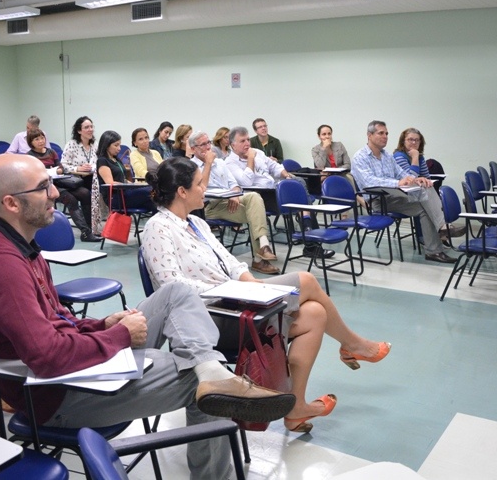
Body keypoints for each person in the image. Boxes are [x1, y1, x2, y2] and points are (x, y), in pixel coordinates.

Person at [0, 154, 295, 479]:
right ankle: (212, 386)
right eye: (43, 187)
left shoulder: (23, 247)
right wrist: (119, 336)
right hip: (54, 396)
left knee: (177, 294)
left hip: (71, 366)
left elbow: (57, 320)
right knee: (200, 383)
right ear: (12, 204)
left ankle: (209, 367)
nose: (54, 193)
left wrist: (101, 324)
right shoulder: (2, 264)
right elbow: (47, 356)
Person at [142, 157, 391, 433]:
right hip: (209, 318)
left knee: (315, 314)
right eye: (200, 183)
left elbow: (232, 263)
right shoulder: (158, 227)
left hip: (236, 301)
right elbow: (171, 286)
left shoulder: (196, 224)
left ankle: (296, 408)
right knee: (306, 280)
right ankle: (353, 345)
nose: (206, 187)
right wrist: (232, 290)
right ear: (182, 192)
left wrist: (253, 285)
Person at [351, 120, 463, 264]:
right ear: (369, 135)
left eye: (386, 133)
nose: (385, 136)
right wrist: (397, 183)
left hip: (394, 196)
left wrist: (417, 180)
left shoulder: (387, 156)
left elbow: (402, 174)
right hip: (378, 200)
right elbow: (369, 181)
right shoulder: (360, 157)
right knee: (425, 202)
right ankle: (443, 228)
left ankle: (434, 250)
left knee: (426, 193)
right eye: (381, 133)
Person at [226, 126, 334, 259]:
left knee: (298, 184)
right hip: (259, 197)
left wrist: (286, 175)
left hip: (275, 190)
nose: (247, 143)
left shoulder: (257, 152)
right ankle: (311, 242)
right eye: (242, 141)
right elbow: (246, 182)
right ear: (232, 145)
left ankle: (311, 241)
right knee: (302, 204)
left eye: (248, 139)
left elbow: (274, 166)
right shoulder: (230, 163)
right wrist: (250, 159)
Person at [188, 130, 279, 275]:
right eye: (203, 145)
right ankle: (259, 260)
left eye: (208, 143)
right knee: (254, 214)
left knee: (254, 197)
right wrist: (208, 164)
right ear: (193, 149)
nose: (207, 147)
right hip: (209, 206)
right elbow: (201, 190)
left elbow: (234, 183)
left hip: (229, 200)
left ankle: (263, 244)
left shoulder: (220, 163)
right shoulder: (190, 166)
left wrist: (235, 195)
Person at [27, 128, 100, 242]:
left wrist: (58, 170)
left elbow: (61, 167)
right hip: (46, 186)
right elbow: (32, 173)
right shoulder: (30, 156)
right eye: (37, 139)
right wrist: (47, 171)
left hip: (61, 181)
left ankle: (90, 229)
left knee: (85, 193)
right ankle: (85, 232)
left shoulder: (51, 152)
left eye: (42, 138)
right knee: (71, 200)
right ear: (31, 142)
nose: (41, 141)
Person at [96, 130, 156, 213]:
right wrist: (128, 185)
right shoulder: (102, 161)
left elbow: (123, 179)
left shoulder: (116, 159)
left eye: (119, 145)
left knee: (155, 202)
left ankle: (161, 224)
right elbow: (110, 183)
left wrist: (133, 184)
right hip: (115, 198)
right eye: (116, 145)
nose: (119, 148)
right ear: (107, 145)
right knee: (150, 191)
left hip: (125, 193)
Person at [60, 116, 100, 239]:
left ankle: (92, 228)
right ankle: (87, 230)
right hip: (73, 181)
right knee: (85, 194)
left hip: (90, 178)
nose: (90, 129)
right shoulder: (71, 145)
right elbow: (64, 166)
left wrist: (91, 167)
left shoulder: (95, 145)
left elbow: (98, 162)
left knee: (96, 190)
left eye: (91, 126)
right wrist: (78, 169)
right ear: (79, 131)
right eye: (86, 127)